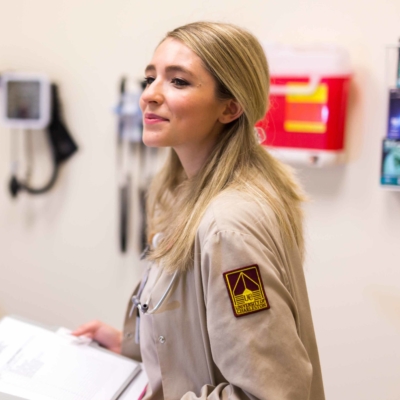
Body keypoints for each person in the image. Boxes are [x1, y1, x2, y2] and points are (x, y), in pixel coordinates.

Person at [73, 21, 326, 400]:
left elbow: (272, 393)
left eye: (178, 82)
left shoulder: (228, 227)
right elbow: (194, 329)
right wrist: (135, 350)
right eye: (150, 78)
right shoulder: (186, 193)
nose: (149, 96)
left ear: (230, 108)